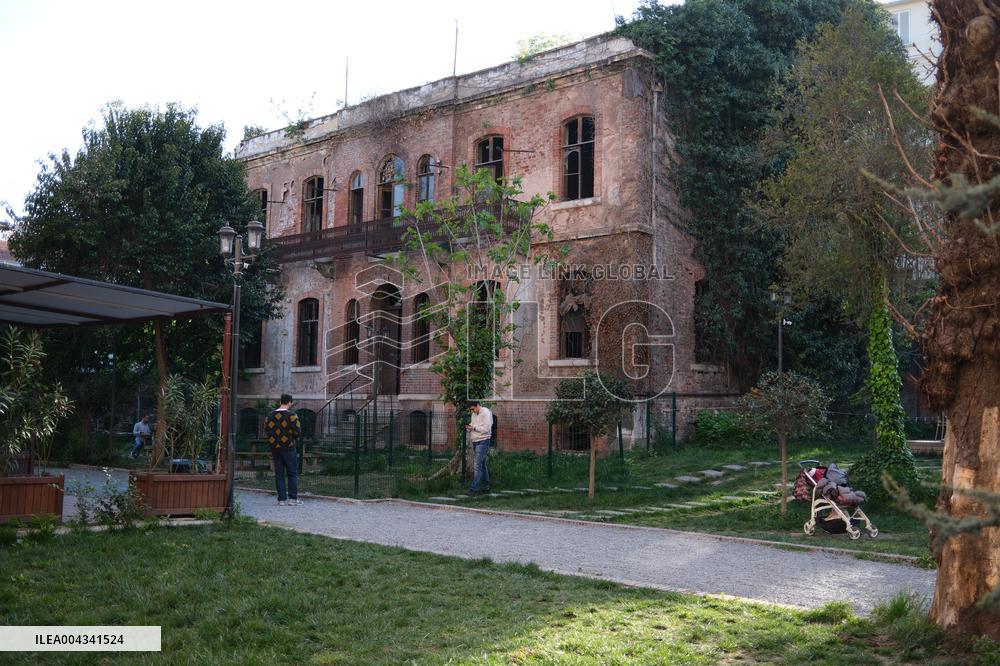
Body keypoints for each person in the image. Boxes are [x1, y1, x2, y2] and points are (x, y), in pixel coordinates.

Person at [264, 394, 301, 506]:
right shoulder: (292, 416)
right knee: (292, 473)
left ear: (281, 402)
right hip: (289, 448)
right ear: (289, 402)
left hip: (275, 448)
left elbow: (266, 431)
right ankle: (292, 499)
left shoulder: (270, 416)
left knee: (279, 474)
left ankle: (281, 499)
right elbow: (297, 431)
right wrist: (291, 438)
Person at [465, 400, 493, 495]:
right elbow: (474, 426)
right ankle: (486, 487)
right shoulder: (474, 414)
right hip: (475, 441)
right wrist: (469, 427)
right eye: (471, 410)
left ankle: (473, 489)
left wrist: (474, 428)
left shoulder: (485, 412)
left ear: (477, 405)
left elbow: (486, 429)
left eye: (473, 409)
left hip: (483, 441)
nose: (472, 411)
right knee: (483, 465)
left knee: (477, 465)